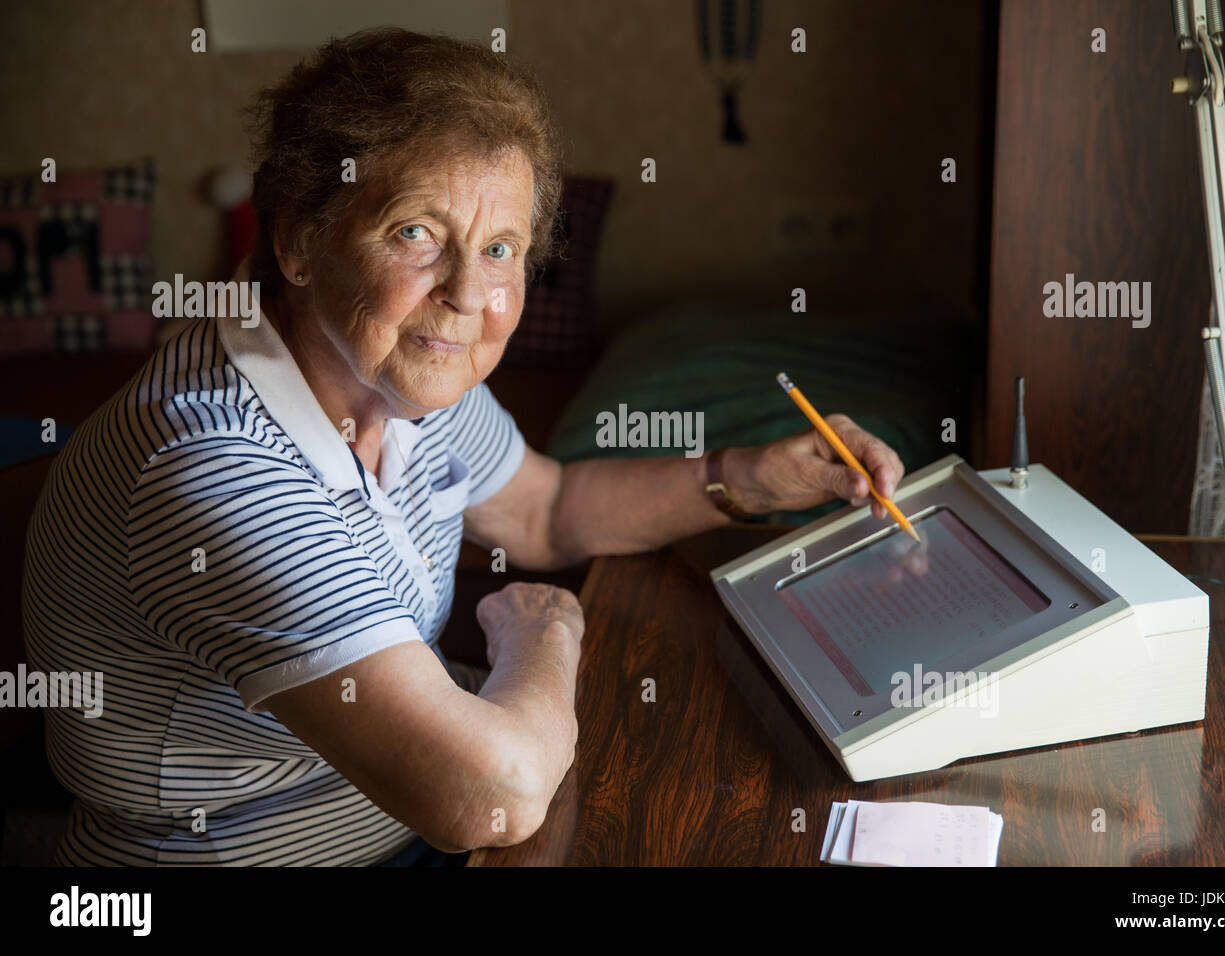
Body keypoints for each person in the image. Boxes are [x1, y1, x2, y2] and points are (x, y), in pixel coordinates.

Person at [21, 28, 906, 866]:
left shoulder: (401, 376)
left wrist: (749, 477)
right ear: (296, 238)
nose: (467, 295)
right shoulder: (218, 466)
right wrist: (545, 636)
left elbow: (544, 509)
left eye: (500, 249)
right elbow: (490, 793)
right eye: (416, 233)